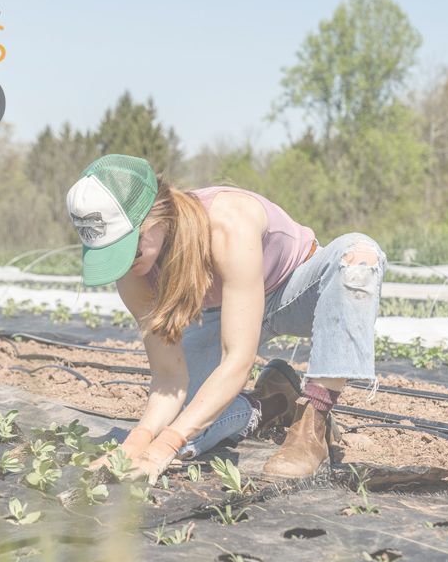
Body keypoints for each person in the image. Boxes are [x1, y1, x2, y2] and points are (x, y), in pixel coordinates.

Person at [65, 154, 387, 485]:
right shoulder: (133, 273)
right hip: (224, 313)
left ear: (156, 216)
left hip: (295, 291)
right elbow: (169, 378)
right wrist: (136, 445)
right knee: (183, 429)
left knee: (358, 256)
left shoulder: (226, 222)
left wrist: (164, 447)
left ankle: (314, 421)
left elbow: (237, 360)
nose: (125, 264)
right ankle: (269, 403)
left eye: (129, 249)